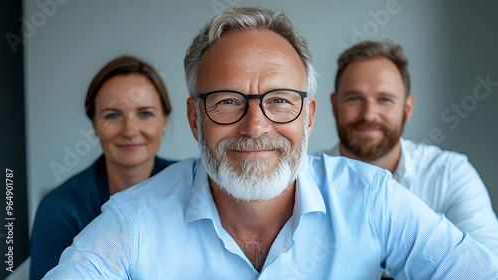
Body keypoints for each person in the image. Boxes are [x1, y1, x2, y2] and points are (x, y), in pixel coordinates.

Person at [44, 7, 498, 279]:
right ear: (193, 118)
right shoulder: (133, 222)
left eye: (280, 101)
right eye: (226, 102)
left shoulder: (372, 200)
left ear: (310, 117)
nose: (256, 126)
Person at [325, 40, 498, 249]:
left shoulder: (449, 174)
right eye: (354, 98)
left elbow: (486, 267)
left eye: (385, 99)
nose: (369, 114)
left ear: (407, 109)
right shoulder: (303, 183)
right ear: (334, 106)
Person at [30, 56, 176, 279]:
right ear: (95, 125)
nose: (129, 130)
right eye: (113, 115)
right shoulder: (59, 210)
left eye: (145, 113)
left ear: (164, 120)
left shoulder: (195, 188)